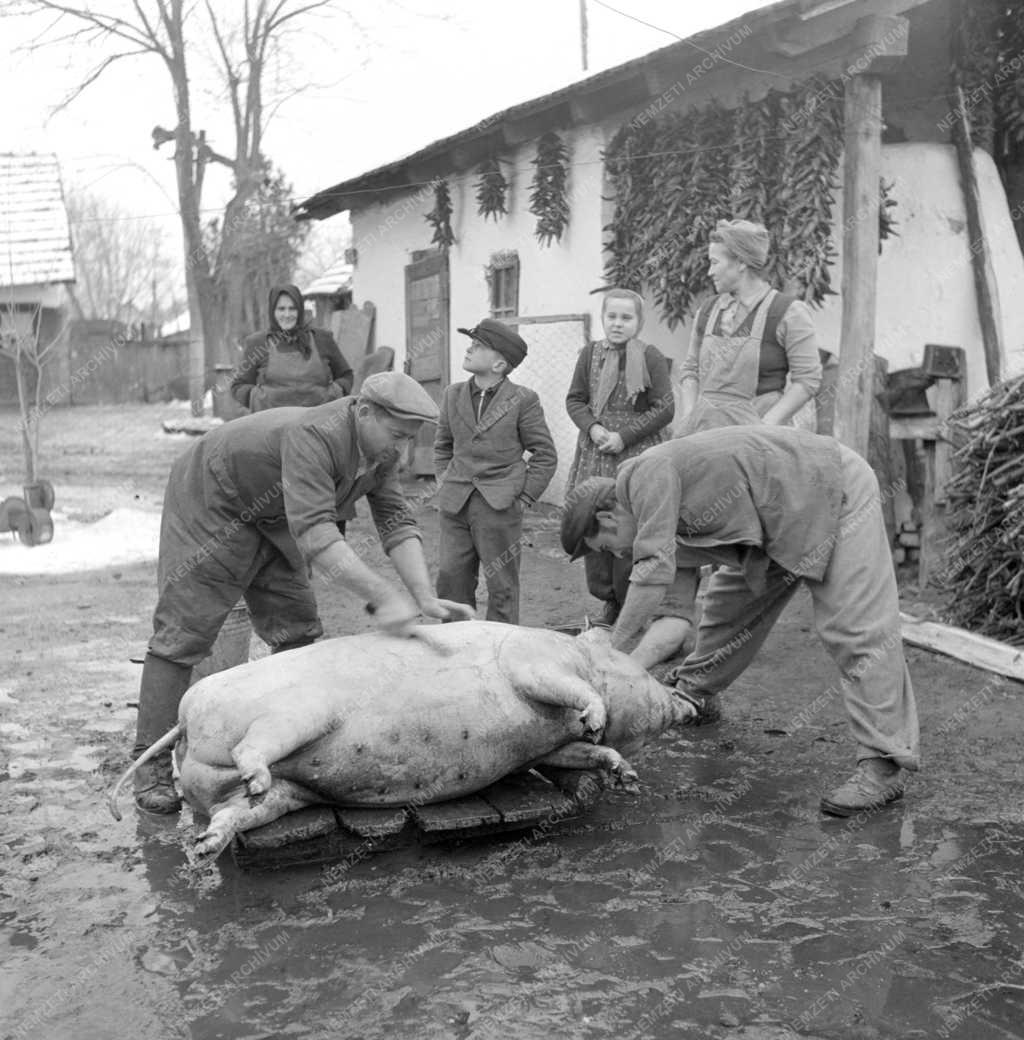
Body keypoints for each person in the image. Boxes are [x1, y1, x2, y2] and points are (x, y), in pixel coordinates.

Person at [132, 371, 474, 813]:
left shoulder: (382, 449)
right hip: (214, 498)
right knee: (184, 634)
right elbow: (316, 535)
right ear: (364, 412)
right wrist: (383, 596)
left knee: (297, 628)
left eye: (410, 438)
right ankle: (150, 771)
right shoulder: (316, 434)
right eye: (396, 435)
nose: (401, 448)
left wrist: (423, 596)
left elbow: (395, 519)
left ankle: (281, 747)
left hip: (275, 513)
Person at [560, 425, 920, 817]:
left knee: (856, 629)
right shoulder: (657, 522)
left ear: (608, 517)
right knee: (727, 604)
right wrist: (624, 672)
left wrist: (608, 659)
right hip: (772, 525)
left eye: (606, 547)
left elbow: (650, 576)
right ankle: (695, 694)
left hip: (830, 490)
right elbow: (672, 619)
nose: (615, 554)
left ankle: (883, 763)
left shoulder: (646, 475)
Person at [434, 319, 557, 624]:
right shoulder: (452, 394)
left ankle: (501, 650)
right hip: (455, 503)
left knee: (501, 584)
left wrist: (524, 498)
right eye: (471, 344)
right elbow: (442, 447)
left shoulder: (523, 399)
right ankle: (454, 646)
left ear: (500, 364)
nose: (469, 349)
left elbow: (545, 455)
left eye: (478, 347)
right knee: (451, 578)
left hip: (500, 506)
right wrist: (443, 481)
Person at [565, 288, 674, 627]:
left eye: (626, 318)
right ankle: (607, 600)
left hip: (635, 455)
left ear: (638, 323)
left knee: (629, 527)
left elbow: (665, 408)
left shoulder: (651, 357)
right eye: (612, 316)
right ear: (603, 318)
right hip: (595, 455)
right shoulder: (589, 354)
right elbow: (575, 400)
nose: (618, 324)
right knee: (595, 523)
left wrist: (623, 436)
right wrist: (594, 428)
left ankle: (635, 603)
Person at [676, 219, 822, 436]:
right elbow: (690, 369)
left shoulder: (788, 313)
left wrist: (766, 425)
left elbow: (807, 380)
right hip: (705, 436)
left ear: (741, 263)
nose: (709, 272)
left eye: (714, 262)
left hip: (758, 441)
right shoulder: (707, 311)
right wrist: (689, 417)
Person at [230, 284, 354, 411]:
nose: (287, 314)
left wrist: (335, 393)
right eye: (281, 309)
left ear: (300, 310)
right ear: (273, 311)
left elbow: (346, 375)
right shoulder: (258, 343)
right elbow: (238, 385)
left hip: (318, 425)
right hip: (272, 426)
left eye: (292, 308)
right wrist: (258, 400)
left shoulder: (322, 339)